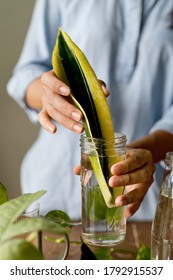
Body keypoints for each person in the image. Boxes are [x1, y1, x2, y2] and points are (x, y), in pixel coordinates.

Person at [7, 0, 173, 221]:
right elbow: (25, 74)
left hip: (143, 205)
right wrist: (48, 95)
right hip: (55, 193)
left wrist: (146, 152)